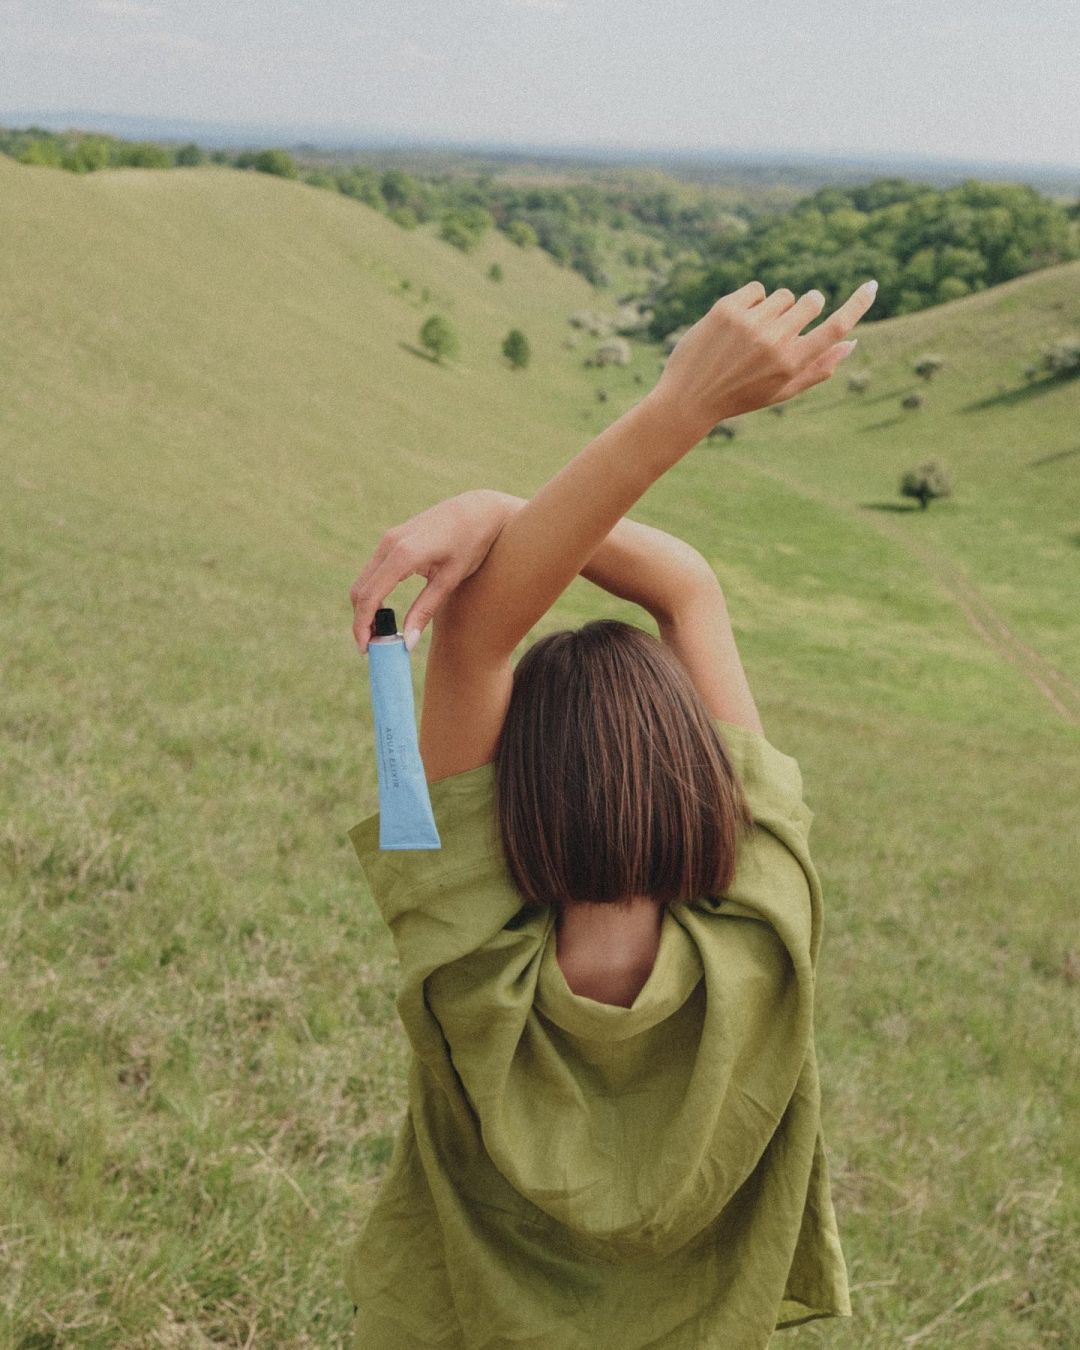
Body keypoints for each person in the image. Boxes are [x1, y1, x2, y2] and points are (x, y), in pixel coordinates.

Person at [345, 279, 877, 1348]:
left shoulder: (462, 952)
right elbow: (687, 591)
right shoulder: (770, 929)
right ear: (709, 778)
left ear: (508, 798)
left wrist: (507, 514)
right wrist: (526, 497)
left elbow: (481, 635)